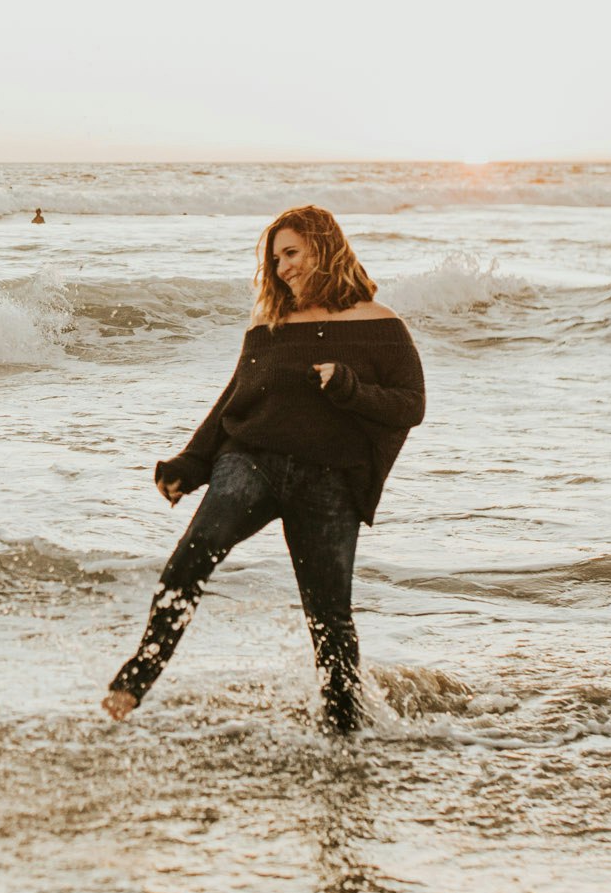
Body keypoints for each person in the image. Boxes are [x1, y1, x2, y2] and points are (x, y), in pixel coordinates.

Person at [103, 206, 425, 735]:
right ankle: (136, 678)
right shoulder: (269, 324)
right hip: (252, 462)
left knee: (329, 619)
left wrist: (348, 386)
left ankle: (344, 734)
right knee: (190, 559)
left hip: (330, 480)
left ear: (325, 247)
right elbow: (234, 399)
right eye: (275, 259)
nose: (282, 268)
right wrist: (193, 462)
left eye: (291, 253)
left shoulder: (381, 324)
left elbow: (410, 405)